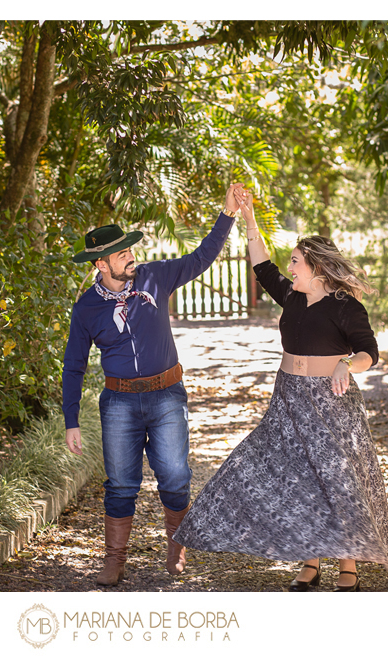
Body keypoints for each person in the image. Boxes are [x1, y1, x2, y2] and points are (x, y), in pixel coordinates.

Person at [173, 189, 388, 591]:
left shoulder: (346, 306)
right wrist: (249, 217)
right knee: (297, 480)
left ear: (317, 268)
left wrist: (347, 364)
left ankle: (349, 568)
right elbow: (261, 264)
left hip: (330, 404)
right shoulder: (292, 297)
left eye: (296, 261)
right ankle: (309, 565)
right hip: (288, 399)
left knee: (337, 481)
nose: (290, 267)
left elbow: (370, 352)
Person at [62, 185, 242, 586]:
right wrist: (70, 418)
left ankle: (176, 546)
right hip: (119, 403)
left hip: (166, 397)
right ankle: (114, 560)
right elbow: (73, 364)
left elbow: (200, 258)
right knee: (121, 484)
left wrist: (226, 214)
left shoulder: (155, 277)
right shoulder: (87, 308)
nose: (131, 257)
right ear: (100, 264)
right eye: (122, 254)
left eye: (130, 250)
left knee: (176, 477)